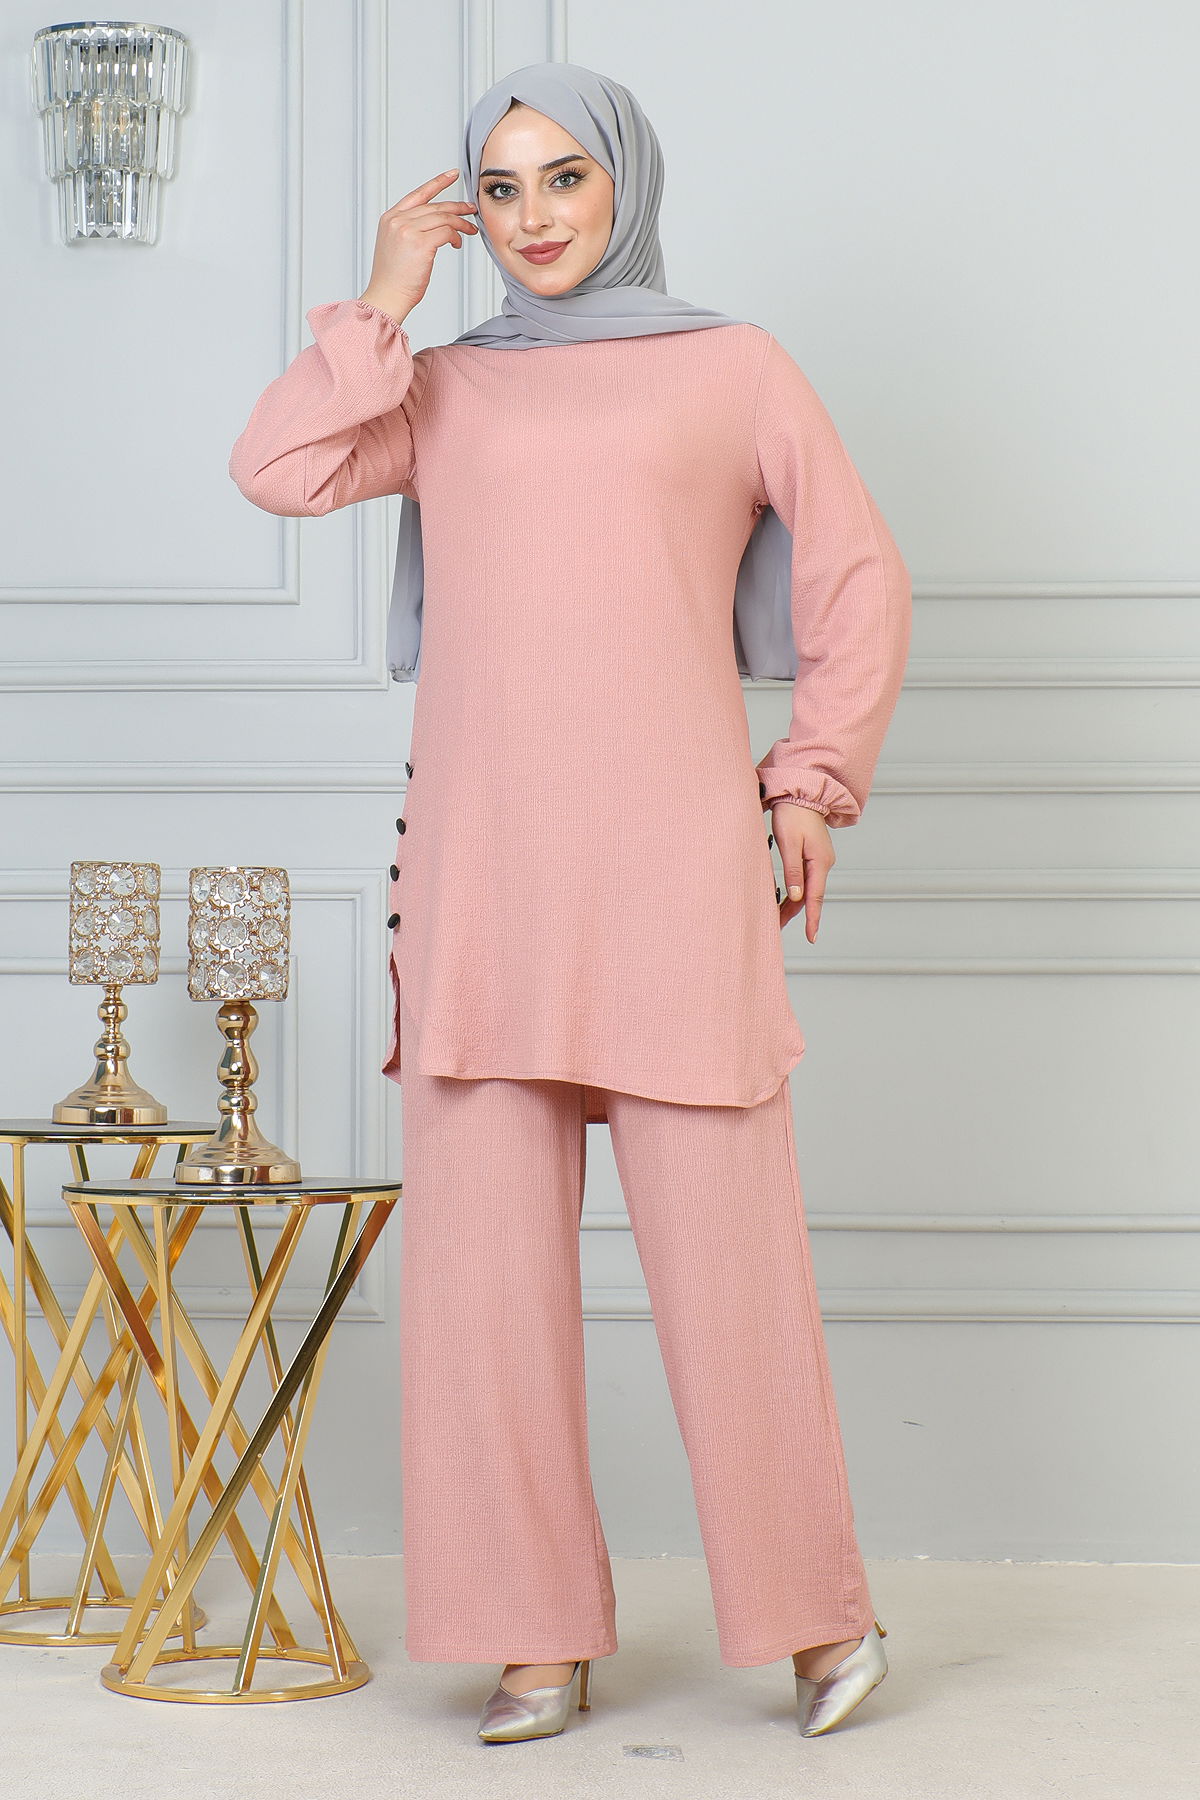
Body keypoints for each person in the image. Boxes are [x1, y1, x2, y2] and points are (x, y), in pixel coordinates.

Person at [229, 61, 911, 1746]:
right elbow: (278, 468)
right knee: (485, 1291)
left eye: (564, 179)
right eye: (500, 187)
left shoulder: (732, 366)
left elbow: (856, 575)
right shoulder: (441, 386)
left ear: (625, 184)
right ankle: (532, 1630)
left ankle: (817, 1614)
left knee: (732, 1275)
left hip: (673, 873)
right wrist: (383, 302)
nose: (533, 217)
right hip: (483, 884)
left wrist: (812, 779)